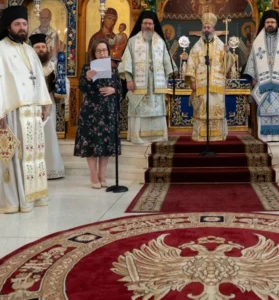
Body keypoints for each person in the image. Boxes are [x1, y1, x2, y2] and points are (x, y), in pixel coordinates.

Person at [0, 5, 52, 213]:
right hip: (11, 112)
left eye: (24, 24)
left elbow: (39, 80)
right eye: (17, 24)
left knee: (32, 156)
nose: (22, 28)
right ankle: (10, 200)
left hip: (32, 113)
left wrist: (45, 104)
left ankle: (32, 197)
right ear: (8, 27)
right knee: (12, 155)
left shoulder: (30, 51)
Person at [119, 11, 176, 144]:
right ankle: (138, 136)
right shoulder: (133, 41)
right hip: (138, 83)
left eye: (150, 24)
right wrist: (129, 79)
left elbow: (166, 61)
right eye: (145, 23)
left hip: (156, 84)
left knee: (157, 109)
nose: (148, 26)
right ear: (141, 24)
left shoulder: (160, 41)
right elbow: (126, 61)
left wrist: (168, 76)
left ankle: (158, 136)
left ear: (154, 25)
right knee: (139, 110)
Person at [243, 10, 279, 142]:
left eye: (272, 22)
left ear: (277, 23)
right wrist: (253, 78)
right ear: (264, 24)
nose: (270, 24)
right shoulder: (257, 42)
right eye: (267, 22)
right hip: (262, 83)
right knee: (264, 109)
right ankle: (265, 137)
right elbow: (252, 60)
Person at [74, 39, 122, 188]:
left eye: (104, 50)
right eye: (99, 51)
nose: (102, 53)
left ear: (108, 51)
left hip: (108, 111)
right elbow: (82, 88)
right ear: (94, 53)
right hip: (91, 111)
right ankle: (93, 174)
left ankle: (102, 175)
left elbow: (120, 88)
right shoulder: (87, 67)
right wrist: (88, 78)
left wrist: (114, 90)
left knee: (106, 143)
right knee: (91, 142)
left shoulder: (114, 68)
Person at [184, 13, 234, 141]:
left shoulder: (221, 45)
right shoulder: (196, 47)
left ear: (213, 29)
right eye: (204, 27)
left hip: (216, 85)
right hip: (201, 85)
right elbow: (191, 64)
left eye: (209, 27)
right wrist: (192, 81)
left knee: (216, 110)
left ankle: (217, 135)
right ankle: (201, 135)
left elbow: (226, 65)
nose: (206, 29)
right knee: (201, 110)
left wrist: (227, 53)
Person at [30, 33, 69, 180]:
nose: (41, 49)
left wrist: (61, 81)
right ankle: (32, 169)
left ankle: (51, 169)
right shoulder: (27, 65)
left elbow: (63, 82)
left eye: (43, 47)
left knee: (48, 135)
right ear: (32, 49)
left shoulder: (52, 65)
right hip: (31, 104)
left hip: (48, 103)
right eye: (37, 47)